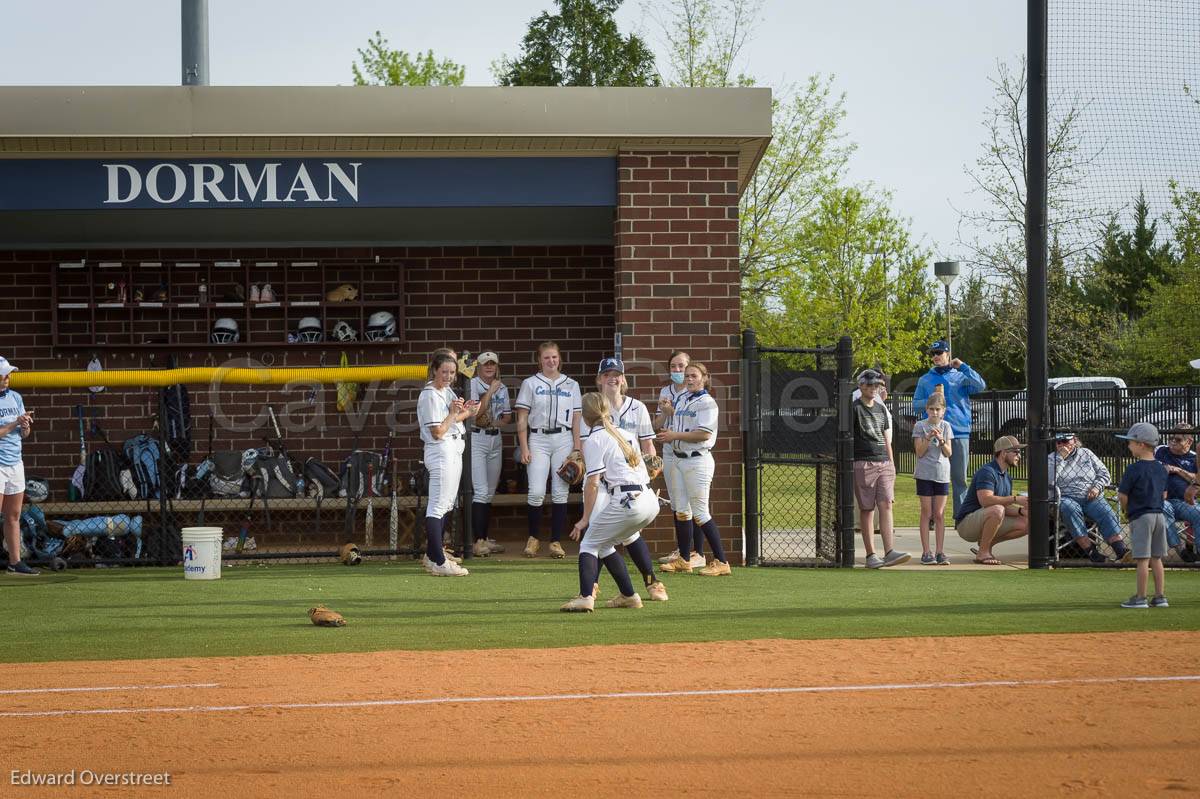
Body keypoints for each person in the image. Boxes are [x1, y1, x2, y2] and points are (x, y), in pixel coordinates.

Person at [561, 393, 662, 611]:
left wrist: (585, 518)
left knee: (589, 543)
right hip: (649, 499)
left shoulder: (595, 439)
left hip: (628, 500)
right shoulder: (624, 433)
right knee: (605, 544)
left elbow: (593, 484)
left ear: (586, 418)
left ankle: (586, 597)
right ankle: (628, 595)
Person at [581, 359, 668, 601]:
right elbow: (582, 450)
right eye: (607, 373)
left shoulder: (636, 407)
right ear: (599, 379)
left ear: (623, 378)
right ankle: (595, 586)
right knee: (601, 533)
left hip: (627, 481)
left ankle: (651, 582)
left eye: (617, 373)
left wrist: (652, 466)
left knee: (621, 535)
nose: (613, 378)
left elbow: (648, 444)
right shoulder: (589, 409)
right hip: (602, 482)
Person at [658, 363, 732, 576]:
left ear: (704, 378)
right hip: (680, 459)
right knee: (682, 510)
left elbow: (704, 434)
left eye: (694, 376)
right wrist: (667, 411)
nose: (689, 379)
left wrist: (674, 436)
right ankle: (684, 559)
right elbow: (682, 420)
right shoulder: (683, 398)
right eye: (686, 375)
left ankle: (721, 561)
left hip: (697, 460)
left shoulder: (707, 402)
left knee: (700, 513)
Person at [515, 342, 582, 558]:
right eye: (546, 358)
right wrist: (524, 446)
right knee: (536, 492)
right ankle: (533, 539)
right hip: (538, 438)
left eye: (554, 357)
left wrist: (577, 447)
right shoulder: (530, 383)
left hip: (563, 438)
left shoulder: (571, 384)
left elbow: (577, 417)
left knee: (560, 492)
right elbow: (522, 416)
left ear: (559, 359)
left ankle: (555, 542)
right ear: (540, 360)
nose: (551, 361)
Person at [416, 350, 477, 576]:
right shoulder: (430, 394)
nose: (449, 376)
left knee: (446, 505)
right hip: (441, 451)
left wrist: (468, 411)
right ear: (434, 370)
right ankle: (440, 561)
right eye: (444, 372)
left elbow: (451, 420)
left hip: (453, 449)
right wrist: (454, 413)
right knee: (438, 506)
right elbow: (438, 431)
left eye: (452, 372)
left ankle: (433, 557)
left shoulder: (446, 390)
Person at [913, 340, 987, 518]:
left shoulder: (960, 376)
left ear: (947, 354)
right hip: (933, 432)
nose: (936, 356)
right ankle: (931, 517)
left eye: (939, 352)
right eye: (933, 353)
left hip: (959, 432)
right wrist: (931, 399)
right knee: (931, 475)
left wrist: (963, 366)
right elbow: (915, 405)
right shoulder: (925, 379)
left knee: (959, 478)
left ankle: (960, 518)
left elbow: (981, 386)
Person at [851, 369, 909, 568]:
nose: (874, 388)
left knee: (886, 505)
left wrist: (891, 464)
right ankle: (871, 555)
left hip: (883, 461)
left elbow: (885, 438)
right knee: (867, 509)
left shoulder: (881, 409)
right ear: (861, 386)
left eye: (877, 385)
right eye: (870, 385)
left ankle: (890, 551)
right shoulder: (854, 408)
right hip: (863, 462)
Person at [655, 350, 706, 569]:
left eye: (682, 367)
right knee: (677, 503)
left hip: (690, 451)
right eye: (674, 366)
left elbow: (692, 422)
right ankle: (683, 550)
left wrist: (672, 412)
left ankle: (698, 552)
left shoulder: (693, 392)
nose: (678, 371)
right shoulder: (665, 390)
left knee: (695, 504)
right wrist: (666, 413)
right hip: (669, 450)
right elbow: (657, 425)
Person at [1050, 432, 1129, 563]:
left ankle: (1121, 551)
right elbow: (1050, 481)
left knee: (1105, 511)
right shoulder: (1052, 458)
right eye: (1059, 442)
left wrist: (1097, 487)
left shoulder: (1086, 453)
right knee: (1069, 508)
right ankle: (1091, 552)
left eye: (1066, 441)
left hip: (1091, 496)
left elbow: (1104, 474)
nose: (1062, 445)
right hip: (1065, 496)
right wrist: (1061, 460)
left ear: (1074, 440)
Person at [1116, 422, 1169, 608]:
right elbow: (1164, 494)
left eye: (1131, 442)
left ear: (1141, 444)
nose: (1128, 445)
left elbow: (1122, 496)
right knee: (1157, 558)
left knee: (1142, 559)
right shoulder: (1162, 468)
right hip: (1159, 516)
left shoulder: (1133, 469)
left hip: (1141, 516)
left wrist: (1127, 510)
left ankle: (1140, 597)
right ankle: (1160, 596)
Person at [954, 435, 1028, 566]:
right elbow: (986, 501)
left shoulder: (1007, 477)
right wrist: (1016, 498)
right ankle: (982, 553)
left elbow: (1006, 506)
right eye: (1016, 452)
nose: (1019, 456)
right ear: (1004, 453)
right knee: (997, 510)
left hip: (985, 518)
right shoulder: (987, 471)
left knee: (1027, 523)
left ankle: (986, 545)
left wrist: (1022, 511)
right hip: (966, 524)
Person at [468, 352, 512, 558]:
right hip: (477, 439)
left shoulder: (502, 387)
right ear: (479, 367)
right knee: (481, 490)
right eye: (485, 364)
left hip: (495, 437)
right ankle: (478, 541)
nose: (489, 367)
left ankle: (484, 538)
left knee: (490, 491)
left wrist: (497, 422)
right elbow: (476, 414)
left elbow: (507, 416)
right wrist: (490, 392)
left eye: (492, 364)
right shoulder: (473, 384)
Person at [0, 357, 36, 576]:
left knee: (13, 515)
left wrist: (24, 426)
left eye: (7, 374)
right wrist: (13, 423)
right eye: (3, 374)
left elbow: (24, 435)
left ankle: (15, 562)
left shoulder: (16, 397)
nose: (7, 378)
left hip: (16, 463)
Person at [912, 385, 953, 565]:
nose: (935, 413)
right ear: (926, 410)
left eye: (938, 409)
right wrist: (928, 437)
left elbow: (948, 452)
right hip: (925, 473)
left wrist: (942, 439)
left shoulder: (946, 426)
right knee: (926, 512)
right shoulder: (920, 426)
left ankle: (940, 551)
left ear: (943, 411)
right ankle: (926, 551)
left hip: (942, 473)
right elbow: (919, 452)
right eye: (931, 409)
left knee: (939, 513)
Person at [1154, 422, 1199, 563]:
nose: (1172, 442)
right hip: (1162, 500)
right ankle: (1180, 549)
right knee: (1163, 507)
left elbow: (1197, 479)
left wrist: (1179, 471)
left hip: (1182, 501)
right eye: (1171, 438)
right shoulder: (1160, 450)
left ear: (1189, 441)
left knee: (1199, 513)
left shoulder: (1194, 457)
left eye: (1178, 439)